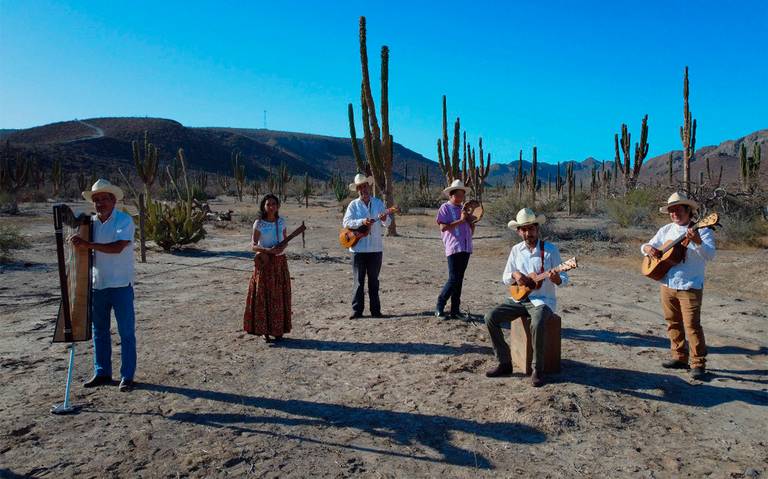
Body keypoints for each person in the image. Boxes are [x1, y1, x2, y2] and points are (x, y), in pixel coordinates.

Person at [484, 208, 568, 387]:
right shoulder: (516, 250)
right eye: (524, 229)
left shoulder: (550, 251)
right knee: (490, 317)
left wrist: (556, 277)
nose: (528, 233)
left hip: (543, 300)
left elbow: (564, 280)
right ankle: (504, 363)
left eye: (531, 229)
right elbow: (506, 277)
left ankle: (538, 369)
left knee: (537, 322)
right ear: (519, 231)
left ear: (537, 229)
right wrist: (516, 275)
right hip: (519, 299)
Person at [641, 191, 715, 380]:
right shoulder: (666, 230)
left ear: (688, 211)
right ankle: (679, 357)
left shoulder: (703, 230)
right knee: (672, 322)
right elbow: (647, 246)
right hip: (667, 283)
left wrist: (697, 242)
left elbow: (710, 256)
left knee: (692, 325)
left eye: (678, 210)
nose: (674, 214)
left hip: (690, 285)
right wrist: (647, 248)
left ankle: (698, 363)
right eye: (671, 211)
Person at [71, 179, 137, 392]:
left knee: (126, 331)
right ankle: (102, 372)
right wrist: (76, 242)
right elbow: (81, 248)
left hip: (120, 284)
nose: (100, 203)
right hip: (98, 284)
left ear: (113, 200)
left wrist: (88, 245)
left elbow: (118, 247)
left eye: (104, 199)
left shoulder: (124, 221)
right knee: (99, 330)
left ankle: (127, 375)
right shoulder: (89, 224)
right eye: (96, 200)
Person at [342, 173, 392, 319]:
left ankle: (376, 311)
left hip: (375, 249)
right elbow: (346, 223)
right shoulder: (353, 205)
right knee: (358, 281)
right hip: (357, 248)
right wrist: (362, 221)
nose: (363, 190)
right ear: (357, 190)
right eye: (360, 188)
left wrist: (385, 218)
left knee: (374, 281)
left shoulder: (378, 203)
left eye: (365, 186)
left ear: (368, 187)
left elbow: (387, 223)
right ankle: (357, 310)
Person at [243, 194, 292, 342]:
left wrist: (281, 247)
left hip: (279, 263)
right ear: (263, 206)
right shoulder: (259, 223)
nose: (271, 207)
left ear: (277, 206)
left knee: (279, 296)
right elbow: (253, 245)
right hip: (264, 264)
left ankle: (278, 330)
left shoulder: (281, 222)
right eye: (268, 204)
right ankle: (263, 330)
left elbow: (285, 241)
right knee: (263, 296)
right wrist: (269, 251)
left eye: (274, 204)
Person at [435, 179, 476, 318]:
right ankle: (440, 305)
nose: (460, 198)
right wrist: (461, 220)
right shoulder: (445, 208)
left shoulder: (464, 210)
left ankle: (455, 310)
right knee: (454, 278)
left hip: (466, 247)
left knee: (459, 279)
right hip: (453, 247)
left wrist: (471, 222)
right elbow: (443, 227)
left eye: (462, 195)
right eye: (457, 195)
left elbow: (471, 231)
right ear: (450, 195)